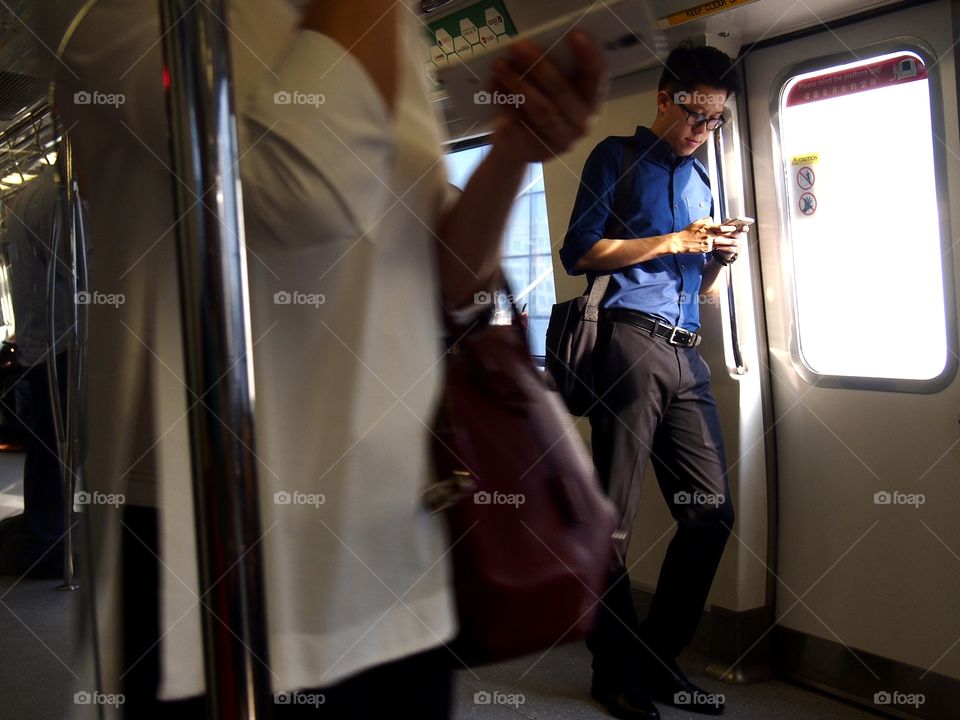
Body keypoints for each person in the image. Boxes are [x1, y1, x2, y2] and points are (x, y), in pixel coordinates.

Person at [46, 1, 603, 717]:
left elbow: (440, 275)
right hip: (215, 537)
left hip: (393, 523)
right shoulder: (123, 13)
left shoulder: (375, 19)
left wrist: (511, 155)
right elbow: (294, 189)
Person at [559, 43, 745, 719]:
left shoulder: (702, 183)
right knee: (615, 519)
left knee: (711, 513)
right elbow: (580, 251)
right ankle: (612, 673)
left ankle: (656, 659)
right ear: (665, 100)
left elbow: (702, 286)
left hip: (685, 351)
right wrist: (673, 241)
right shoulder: (616, 155)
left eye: (715, 121)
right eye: (695, 114)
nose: (702, 131)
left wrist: (718, 254)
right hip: (628, 343)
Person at [0, 166, 70, 579]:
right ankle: (49, 542)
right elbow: (77, 270)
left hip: (38, 342)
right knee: (57, 446)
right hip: (63, 339)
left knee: (48, 445)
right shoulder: (60, 201)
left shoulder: (24, 198)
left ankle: (47, 533)